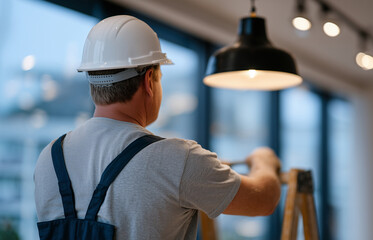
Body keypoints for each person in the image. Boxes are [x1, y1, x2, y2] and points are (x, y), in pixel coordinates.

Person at [34, 15, 281, 239]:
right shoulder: (176, 159)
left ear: (92, 82)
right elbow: (263, 199)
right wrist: (264, 160)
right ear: (148, 81)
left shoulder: (49, 158)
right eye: (160, 79)